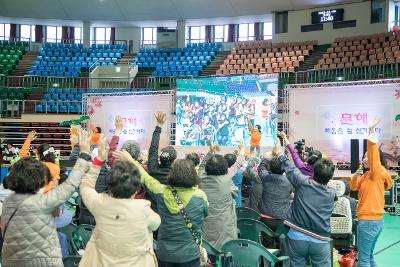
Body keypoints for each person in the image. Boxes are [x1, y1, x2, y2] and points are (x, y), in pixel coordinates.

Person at [1, 130, 92, 267]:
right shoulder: (53, 172)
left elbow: (22, 157)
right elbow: (71, 183)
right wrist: (84, 154)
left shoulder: (8, 203)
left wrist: (28, 139)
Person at [113, 150, 208, 267]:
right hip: (190, 254)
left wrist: (131, 160)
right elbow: (205, 214)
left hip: (164, 253)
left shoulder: (161, 191)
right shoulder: (200, 196)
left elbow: (145, 178)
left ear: (172, 174)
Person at [79, 136, 160, 267]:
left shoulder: (99, 204)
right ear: (136, 190)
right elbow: (156, 224)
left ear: (109, 185)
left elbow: (86, 186)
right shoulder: (144, 211)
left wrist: (99, 160)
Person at [272, 140, 336, 267]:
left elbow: (289, 167)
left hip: (297, 236)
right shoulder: (332, 194)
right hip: (320, 240)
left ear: (314, 172)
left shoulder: (303, 182)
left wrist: (279, 153)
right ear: (330, 177)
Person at [350, 117, 392, 267]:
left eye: (367, 156)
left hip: (369, 221)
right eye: (364, 156)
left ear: (376, 159)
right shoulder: (367, 175)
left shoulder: (377, 172)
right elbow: (354, 187)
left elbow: (374, 159)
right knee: (369, 257)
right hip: (373, 221)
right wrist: (356, 174)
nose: (364, 158)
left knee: (363, 259)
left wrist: (371, 132)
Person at [199, 141, 245, 250]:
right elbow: (237, 164)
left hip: (206, 226)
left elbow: (202, 165)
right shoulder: (226, 178)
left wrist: (211, 152)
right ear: (225, 168)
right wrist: (242, 150)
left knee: (208, 251)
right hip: (225, 230)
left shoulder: (201, 178)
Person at [259, 157, 293, 232]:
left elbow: (261, 167)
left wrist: (267, 158)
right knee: (281, 240)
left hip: (266, 218)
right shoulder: (289, 181)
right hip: (282, 219)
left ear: (270, 168)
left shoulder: (265, 177)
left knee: (266, 242)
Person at [148, 112, 177, 185]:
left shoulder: (152, 169)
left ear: (159, 157)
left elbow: (153, 148)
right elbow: (153, 149)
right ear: (173, 161)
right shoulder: (176, 176)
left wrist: (159, 126)